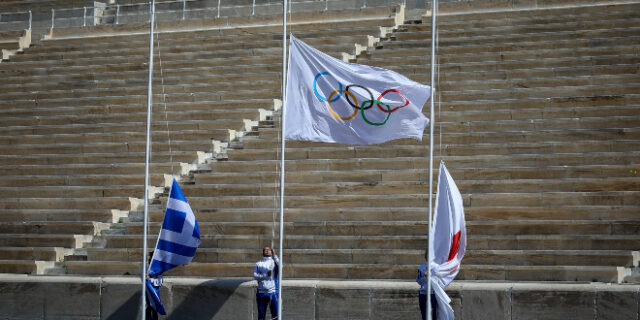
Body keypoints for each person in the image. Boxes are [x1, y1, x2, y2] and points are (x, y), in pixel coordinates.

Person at [253, 246, 280, 320]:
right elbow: (255, 276)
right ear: (262, 252)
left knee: (276, 315)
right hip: (261, 292)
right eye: (265, 250)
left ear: (271, 252)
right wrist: (265, 275)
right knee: (261, 315)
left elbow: (281, 266)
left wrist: (275, 256)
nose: (267, 251)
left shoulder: (274, 262)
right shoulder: (258, 264)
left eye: (269, 250)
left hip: (273, 291)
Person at [416, 250, 438, 320]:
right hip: (423, 293)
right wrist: (425, 277)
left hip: (433, 293)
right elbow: (418, 281)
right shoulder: (421, 267)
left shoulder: (436, 267)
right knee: (424, 315)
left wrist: (429, 276)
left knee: (434, 315)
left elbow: (438, 281)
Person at [146, 250, 163, 320]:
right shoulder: (147, 267)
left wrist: (150, 280)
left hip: (154, 291)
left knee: (154, 309)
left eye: (149, 257)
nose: (148, 258)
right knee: (147, 308)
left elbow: (160, 282)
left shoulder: (158, 269)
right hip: (147, 290)